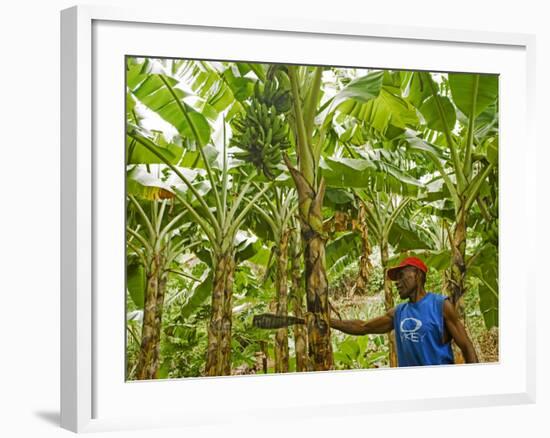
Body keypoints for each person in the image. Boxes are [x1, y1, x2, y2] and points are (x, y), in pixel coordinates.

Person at [330, 256, 478, 366]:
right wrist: (330, 321)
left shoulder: (440, 305)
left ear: (418, 275)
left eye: (401, 276)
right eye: (396, 279)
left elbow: (466, 346)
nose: (397, 283)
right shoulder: (398, 312)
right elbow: (363, 327)